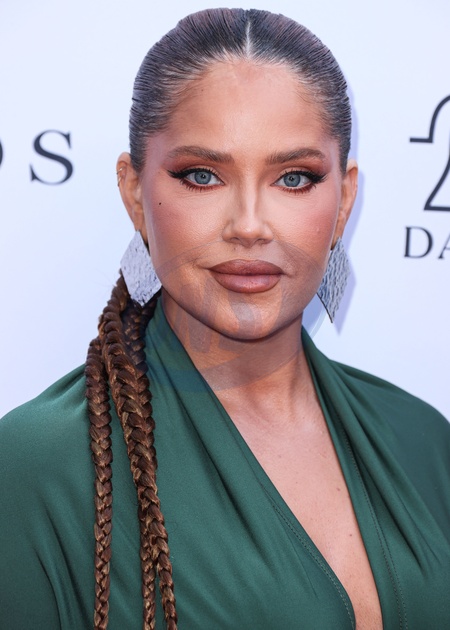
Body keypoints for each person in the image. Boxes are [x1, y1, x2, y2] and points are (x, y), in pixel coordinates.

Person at [1, 8, 449, 630]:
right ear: (134, 193)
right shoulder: (38, 467)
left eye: (294, 178)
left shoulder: (423, 440)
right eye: (202, 176)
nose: (249, 225)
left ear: (344, 199)